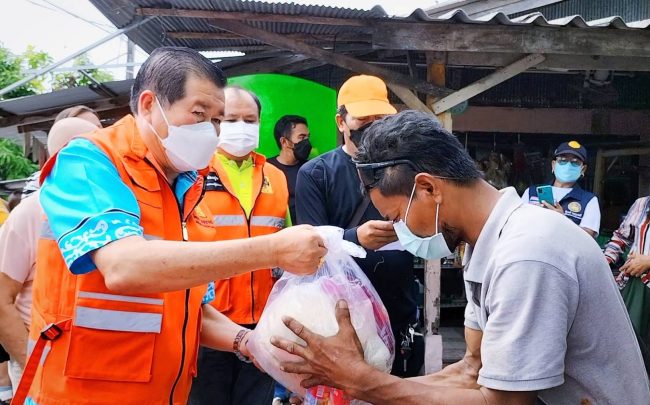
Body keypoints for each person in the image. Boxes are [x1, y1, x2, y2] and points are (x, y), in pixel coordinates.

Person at [272, 110, 650, 405]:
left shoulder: (527, 255)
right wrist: (361, 390)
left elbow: (501, 400)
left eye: (395, 217)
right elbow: (473, 370)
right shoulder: (488, 242)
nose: (399, 232)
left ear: (428, 188)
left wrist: (362, 381)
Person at [17, 46, 326, 405]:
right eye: (199, 113)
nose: (210, 131)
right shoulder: (88, 161)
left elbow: (191, 303)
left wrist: (249, 342)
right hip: (81, 394)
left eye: (216, 119)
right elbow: (122, 266)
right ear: (149, 104)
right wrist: (271, 250)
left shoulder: (186, 184)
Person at [295, 75, 423, 377]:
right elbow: (308, 248)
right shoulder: (316, 174)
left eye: (381, 119)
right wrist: (355, 237)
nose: (374, 127)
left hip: (399, 309)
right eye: (364, 118)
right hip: (341, 317)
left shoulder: (406, 170)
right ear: (341, 121)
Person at [189, 86, 291, 405]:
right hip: (208, 321)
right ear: (216, 121)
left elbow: (284, 244)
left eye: (250, 119)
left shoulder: (276, 177)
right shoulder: (193, 173)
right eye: (232, 119)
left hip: (262, 322)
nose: (242, 127)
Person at [0, 117, 98, 402]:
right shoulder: (31, 212)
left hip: (96, 367)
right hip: (41, 363)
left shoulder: (113, 211)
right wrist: (33, 362)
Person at [603, 196, 650, 372]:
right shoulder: (642, 204)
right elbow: (622, 237)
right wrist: (605, 261)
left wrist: (647, 261)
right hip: (637, 286)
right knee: (630, 347)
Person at [20, 105, 101, 200]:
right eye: (83, 126)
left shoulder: (113, 170)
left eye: (98, 127)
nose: (95, 132)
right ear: (60, 133)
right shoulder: (40, 180)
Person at [521, 141, 600, 237]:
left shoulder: (589, 200)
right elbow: (517, 223)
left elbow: (589, 237)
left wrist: (563, 220)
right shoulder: (531, 192)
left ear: (583, 169)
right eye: (562, 160)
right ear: (553, 165)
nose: (568, 166)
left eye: (575, 162)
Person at [268, 115, 311, 223]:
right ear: (284, 142)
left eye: (307, 137)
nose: (307, 142)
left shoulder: (311, 170)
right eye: (301, 137)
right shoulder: (265, 169)